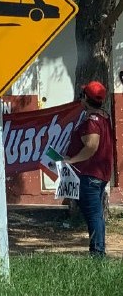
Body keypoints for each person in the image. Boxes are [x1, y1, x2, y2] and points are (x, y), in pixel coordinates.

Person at [65, 81, 113, 257]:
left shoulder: (91, 121)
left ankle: (97, 253)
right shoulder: (103, 116)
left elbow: (91, 146)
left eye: (83, 93)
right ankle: (97, 251)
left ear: (85, 98)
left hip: (90, 174)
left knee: (94, 215)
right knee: (96, 214)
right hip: (100, 174)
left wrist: (72, 160)